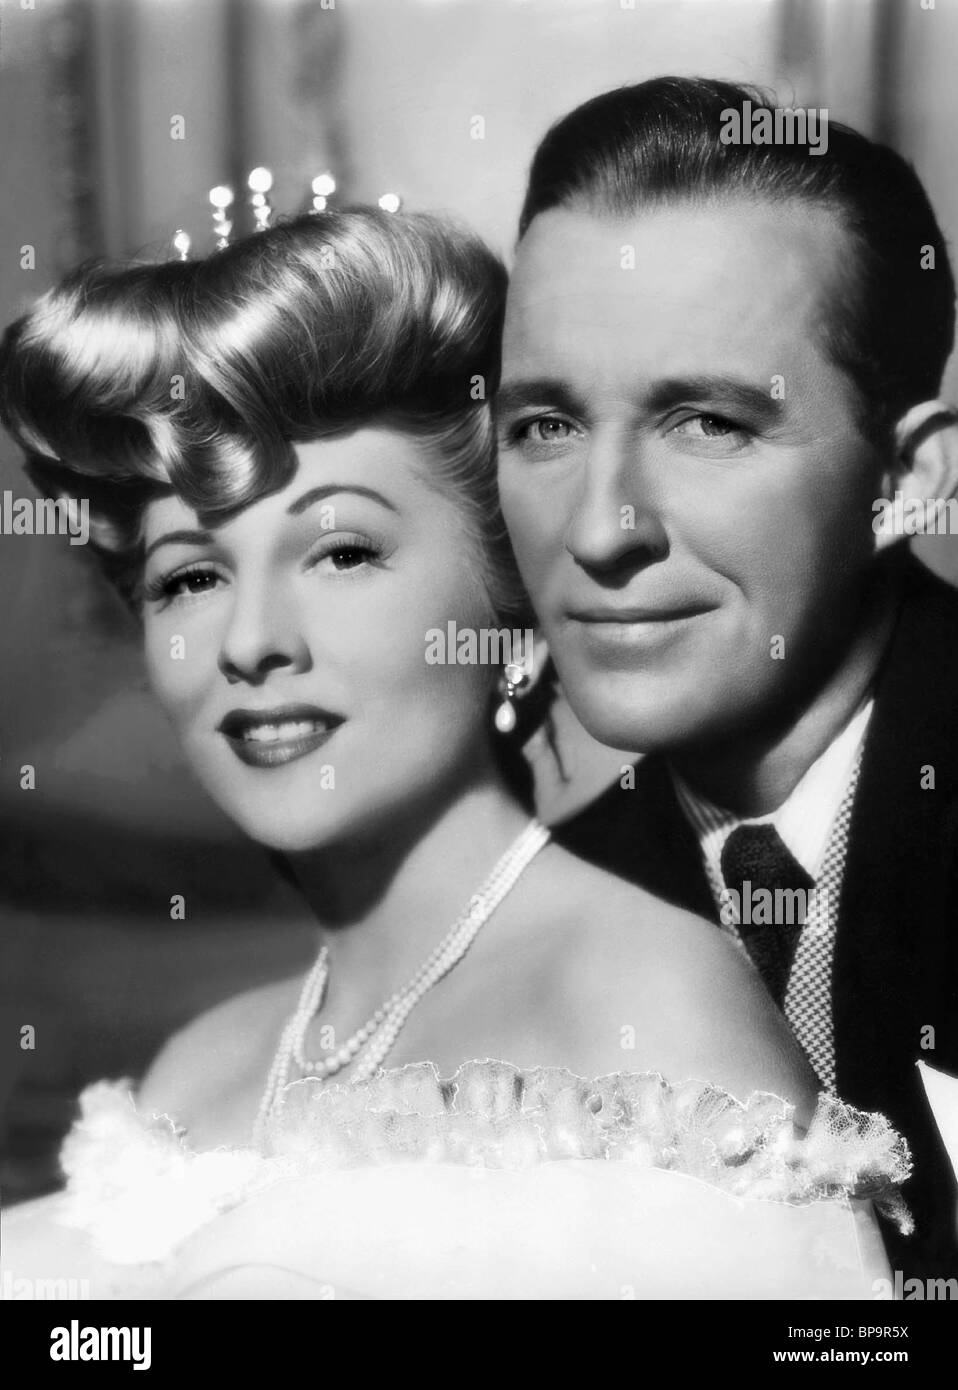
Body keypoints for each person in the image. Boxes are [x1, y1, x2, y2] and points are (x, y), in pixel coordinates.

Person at [0, 209, 902, 1298]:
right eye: (190, 577)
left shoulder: (639, 1001)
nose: (250, 643)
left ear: (510, 609)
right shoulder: (196, 1074)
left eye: (342, 552)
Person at [496, 75, 958, 1281]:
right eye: (545, 426)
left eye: (706, 423)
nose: (600, 529)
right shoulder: (544, 905)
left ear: (906, 480)